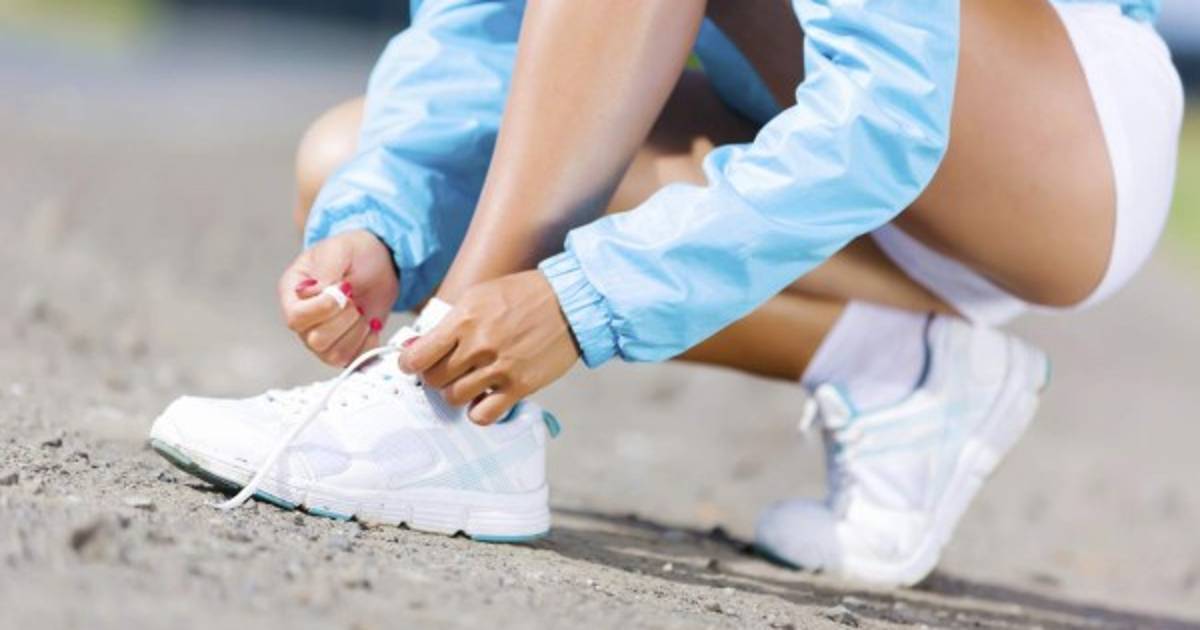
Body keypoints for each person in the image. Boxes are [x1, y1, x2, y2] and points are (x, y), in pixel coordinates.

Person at [149, 0, 1183, 586]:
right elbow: (479, 30)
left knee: (475, 238)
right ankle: (902, 368)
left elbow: (885, 115)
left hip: (1057, 151)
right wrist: (383, 221)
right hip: (828, 135)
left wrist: (581, 300)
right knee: (344, 161)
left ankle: (444, 406)